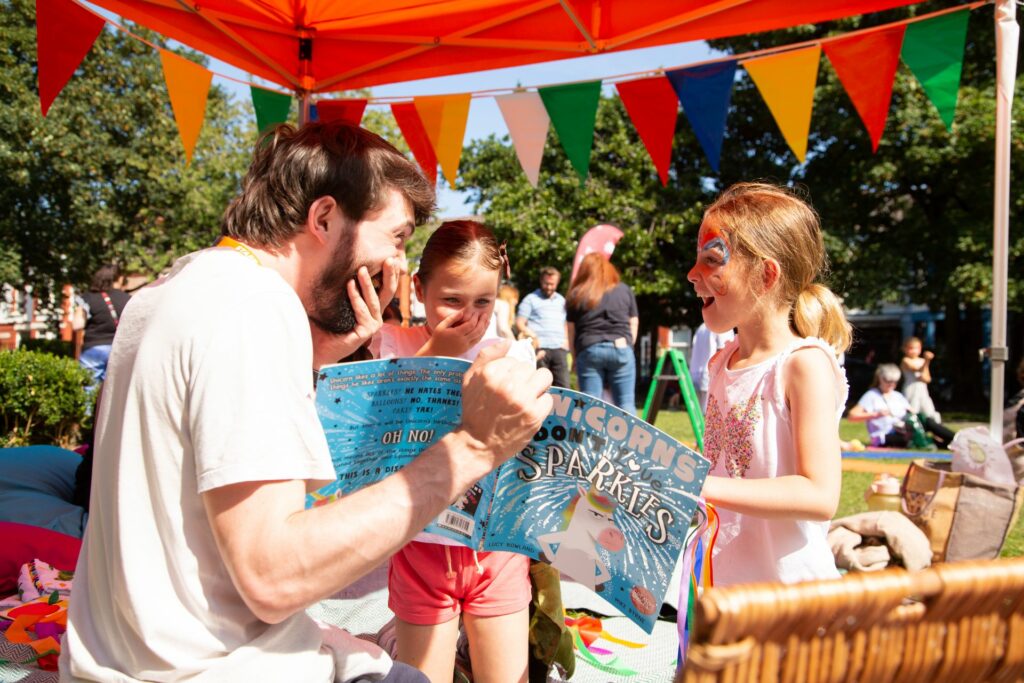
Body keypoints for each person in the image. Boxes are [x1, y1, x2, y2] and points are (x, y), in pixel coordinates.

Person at [60, 123, 554, 683]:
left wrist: (318, 353)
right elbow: (274, 577)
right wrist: (472, 447)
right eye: (395, 236)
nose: (396, 262)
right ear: (323, 219)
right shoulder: (253, 309)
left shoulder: (176, 289)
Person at [373, 221, 529, 683]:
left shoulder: (511, 353)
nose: (469, 316)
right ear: (419, 289)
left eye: (483, 301)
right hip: (421, 548)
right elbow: (378, 425)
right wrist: (438, 348)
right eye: (452, 301)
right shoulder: (392, 344)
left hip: (496, 549)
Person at [690, 182, 851, 587]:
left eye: (712, 260)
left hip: (787, 602)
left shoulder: (803, 366)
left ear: (765, 274)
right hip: (724, 589)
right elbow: (733, 468)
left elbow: (819, 495)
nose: (693, 275)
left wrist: (700, 484)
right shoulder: (721, 363)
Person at [565, 253, 639, 414]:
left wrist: (574, 356)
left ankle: (590, 439)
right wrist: (629, 344)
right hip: (621, 347)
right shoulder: (624, 290)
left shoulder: (577, 293)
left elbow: (571, 330)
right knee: (626, 404)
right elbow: (633, 320)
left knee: (591, 405)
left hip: (589, 348)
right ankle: (629, 439)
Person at [848, 363, 956, 449]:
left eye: (894, 382)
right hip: (885, 435)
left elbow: (911, 412)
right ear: (880, 379)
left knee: (926, 421)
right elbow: (852, 416)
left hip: (905, 428)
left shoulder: (897, 395)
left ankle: (956, 438)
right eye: (888, 381)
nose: (891, 384)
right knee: (910, 438)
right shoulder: (871, 395)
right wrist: (876, 414)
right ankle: (946, 444)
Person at [71, 264, 131, 387]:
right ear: (119, 279)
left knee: (88, 391)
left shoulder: (88, 297)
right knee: (115, 392)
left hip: (94, 348)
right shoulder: (129, 300)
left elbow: (77, 324)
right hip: (120, 350)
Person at [516, 267, 570, 388]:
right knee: (539, 387)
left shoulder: (561, 301)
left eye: (552, 284)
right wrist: (533, 336)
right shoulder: (530, 299)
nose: (549, 287)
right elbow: (520, 322)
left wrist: (566, 341)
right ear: (541, 281)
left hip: (559, 349)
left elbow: (566, 323)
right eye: (546, 283)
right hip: (539, 349)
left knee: (564, 388)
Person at [689, 322, 735, 412]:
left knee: (697, 413)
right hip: (710, 373)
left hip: (695, 371)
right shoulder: (723, 325)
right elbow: (724, 350)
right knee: (710, 413)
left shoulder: (701, 327)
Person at [900, 336, 941, 422]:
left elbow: (927, 378)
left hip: (922, 389)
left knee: (929, 411)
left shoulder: (922, 361)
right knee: (912, 410)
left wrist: (926, 361)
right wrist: (927, 361)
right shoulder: (905, 360)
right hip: (911, 388)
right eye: (911, 348)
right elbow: (916, 369)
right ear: (905, 349)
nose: (914, 351)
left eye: (917, 348)